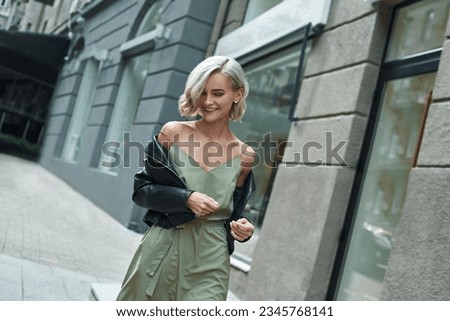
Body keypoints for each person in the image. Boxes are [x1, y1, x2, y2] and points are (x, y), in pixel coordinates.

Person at [116, 56, 256, 301]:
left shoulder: (245, 156)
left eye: (218, 93)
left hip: (211, 255)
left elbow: (235, 215)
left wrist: (243, 228)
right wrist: (185, 198)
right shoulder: (172, 133)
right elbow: (142, 190)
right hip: (164, 245)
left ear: (237, 94)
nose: (208, 101)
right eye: (202, 93)